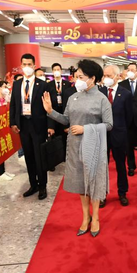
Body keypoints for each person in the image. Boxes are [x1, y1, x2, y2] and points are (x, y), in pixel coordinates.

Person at [43, 59, 113, 237]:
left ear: (92, 78)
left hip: (94, 147)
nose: (77, 80)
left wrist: (86, 129)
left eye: (81, 77)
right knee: (81, 183)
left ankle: (96, 217)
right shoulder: (73, 97)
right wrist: (51, 111)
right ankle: (85, 216)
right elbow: (66, 119)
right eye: (77, 76)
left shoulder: (102, 99)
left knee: (94, 182)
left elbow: (109, 124)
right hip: (74, 146)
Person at [9, 53, 49, 200]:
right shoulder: (17, 84)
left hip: (38, 124)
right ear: (21, 66)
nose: (26, 67)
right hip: (23, 125)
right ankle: (33, 184)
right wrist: (12, 122)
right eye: (24, 65)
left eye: (29, 65)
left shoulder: (42, 84)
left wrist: (50, 126)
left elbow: (48, 107)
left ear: (34, 65)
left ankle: (43, 186)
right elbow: (13, 104)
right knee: (29, 157)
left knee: (40, 157)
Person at [100, 64, 133, 208]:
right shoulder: (99, 92)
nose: (106, 78)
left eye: (108, 75)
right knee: (102, 167)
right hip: (101, 135)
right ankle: (102, 194)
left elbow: (129, 117)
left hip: (119, 135)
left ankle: (122, 193)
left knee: (120, 165)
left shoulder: (125, 94)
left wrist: (121, 130)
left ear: (116, 76)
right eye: (104, 76)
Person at [46, 63, 73, 155]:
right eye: (55, 70)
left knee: (66, 139)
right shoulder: (48, 85)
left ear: (61, 71)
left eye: (58, 69)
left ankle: (65, 156)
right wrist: (50, 125)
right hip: (53, 114)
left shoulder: (68, 84)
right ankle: (56, 157)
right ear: (52, 72)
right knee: (54, 139)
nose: (57, 71)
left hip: (65, 114)